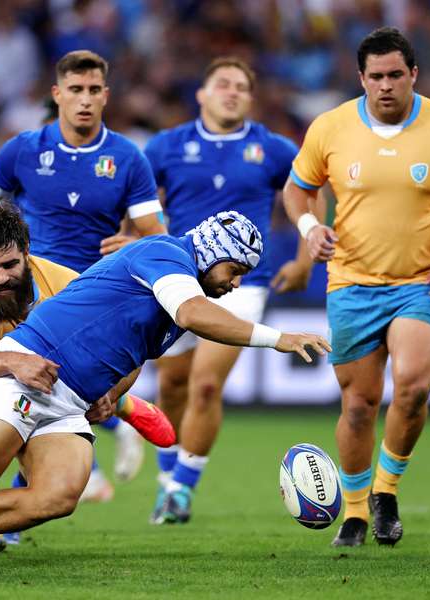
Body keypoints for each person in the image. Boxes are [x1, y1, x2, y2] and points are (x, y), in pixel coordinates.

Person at [0, 211, 331, 573]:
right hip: (21, 372)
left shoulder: (171, 284)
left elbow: (134, 351)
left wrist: (113, 395)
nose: (236, 284)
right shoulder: (164, 255)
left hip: (68, 401)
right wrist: (279, 339)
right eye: (235, 271)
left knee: (58, 495)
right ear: (213, 251)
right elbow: (193, 313)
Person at [0, 49, 168, 497]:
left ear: (106, 96)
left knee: (42, 401)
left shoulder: (128, 159)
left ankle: (113, 406)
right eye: (75, 90)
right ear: (57, 94)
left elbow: (157, 236)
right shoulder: (25, 150)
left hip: (86, 298)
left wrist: (137, 243)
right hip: (23, 289)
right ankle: (121, 407)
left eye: (93, 90)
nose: (84, 99)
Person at [284, 27, 430, 547]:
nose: (385, 86)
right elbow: (297, 190)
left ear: (414, 75)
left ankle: (386, 489)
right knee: (359, 405)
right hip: (352, 285)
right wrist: (310, 229)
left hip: (420, 284)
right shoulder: (331, 127)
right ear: (361, 78)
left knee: (411, 387)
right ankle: (357, 513)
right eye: (375, 77)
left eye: (394, 75)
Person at [0, 199, 174, 549]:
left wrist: (111, 393)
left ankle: (121, 405)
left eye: (11, 264)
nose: (1, 277)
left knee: (50, 464)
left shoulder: (66, 283)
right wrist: (13, 362)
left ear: (27, 251)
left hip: (35, 381)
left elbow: (124, 342)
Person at [141, 57, 306, 524]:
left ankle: (181, 490)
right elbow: (136, 196)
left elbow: (308, 192)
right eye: (222, 84)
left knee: (207, 384)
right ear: (202, 93)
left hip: (242, 284)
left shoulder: (272, 149)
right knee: (172, 383)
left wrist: (304, 255)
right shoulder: (168, 145)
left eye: (241, 86)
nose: (232, 92)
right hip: (177, 277)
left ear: (251, 98)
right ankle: (167, 475)